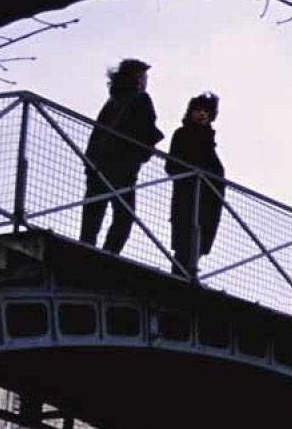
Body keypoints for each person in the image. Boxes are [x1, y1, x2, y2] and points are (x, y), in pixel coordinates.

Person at [80, 59, 161, 254]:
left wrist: (90, 162)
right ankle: (110, 254)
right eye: (143, 76)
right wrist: (146, 151)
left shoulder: (112, 101)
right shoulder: (141, 99)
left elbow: (97, 132)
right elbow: (145, 130)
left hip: (98, 164)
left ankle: (84, 250)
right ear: (137, 78)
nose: (145, 81)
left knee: (93, 212)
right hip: (123, 166)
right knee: (124, 215)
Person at [166, 92, 226, 279]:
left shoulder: (209, 141)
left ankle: (187, 275)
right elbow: (171, 165)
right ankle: (181, 278)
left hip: (208, 202)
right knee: (186, 243)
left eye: (206, 112)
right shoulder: (183, 134)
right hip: (188, 199)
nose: (202, 114)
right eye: (198, 110)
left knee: (199, 243)